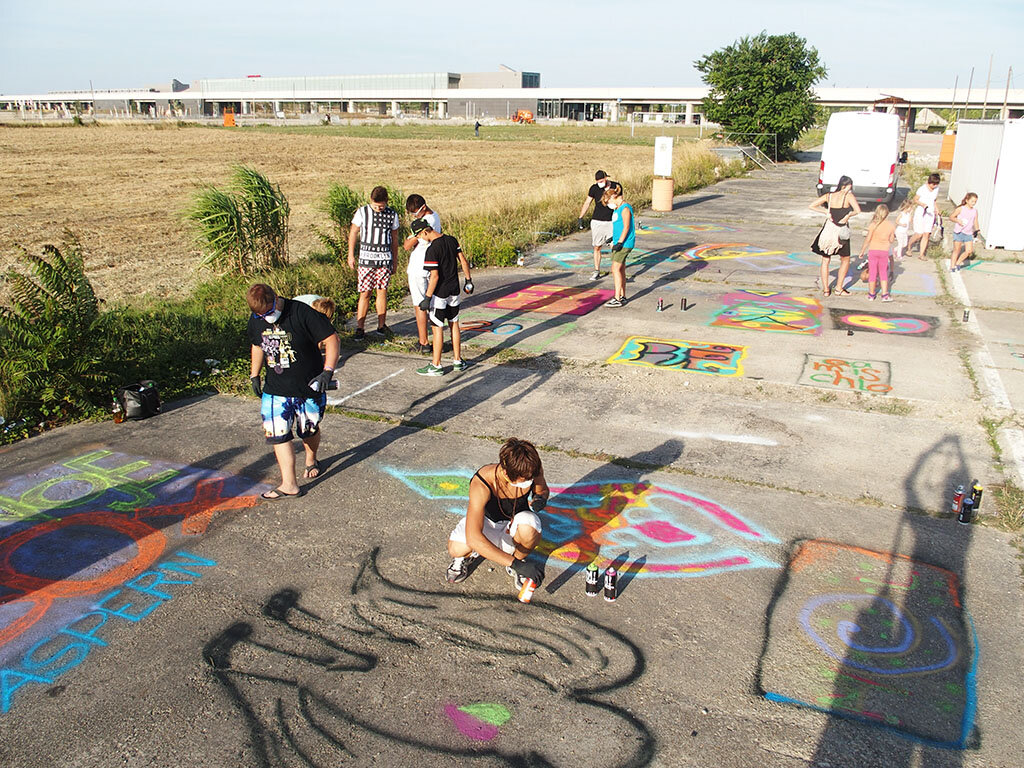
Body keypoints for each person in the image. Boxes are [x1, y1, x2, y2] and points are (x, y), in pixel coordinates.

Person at [246, 284, 340, 499]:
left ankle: (311, 458)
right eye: (261, 315)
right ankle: (289, 484)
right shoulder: (256, 318)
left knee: (308, 430)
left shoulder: (301, 312)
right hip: (275, 389)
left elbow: (332, 339)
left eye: (269, 312)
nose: (266, 318)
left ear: (276, 298)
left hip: (308, 387)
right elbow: (258, 345)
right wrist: (254, 374)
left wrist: (327, 371)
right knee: (277, 434)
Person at [445, 438, 549, 591]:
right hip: (487, 523)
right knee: (457, 548)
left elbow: (542, 489)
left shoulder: (531, 468)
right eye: (523, 480)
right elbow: (473, 537)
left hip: (514, 524)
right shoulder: (482, 483)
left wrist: (540, 498)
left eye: (530, 479)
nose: (528, 482)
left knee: (531, 524)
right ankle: (512, 563)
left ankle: (518, 558)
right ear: (506, 473)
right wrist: (516, 564)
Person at [411, 218, 474, 376]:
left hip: (439, 294)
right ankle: (458, 360)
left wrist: (427, 297)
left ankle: (436, 365)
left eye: (419, 236)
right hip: (454, 290)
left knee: (437, 327)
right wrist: (468, 280)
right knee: (454, 323)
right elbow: (463, 261)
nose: (420, 239)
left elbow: (435, 276)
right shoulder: (452, 240)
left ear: (425, 232)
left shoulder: (432, 250)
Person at [347, 186, 399, 339]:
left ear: (386, 202)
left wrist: (394, 261)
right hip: (366, 260)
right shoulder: (362, 212)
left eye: (381, 206)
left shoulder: (392, 215)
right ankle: (360, 328)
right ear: (371, 201)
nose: (378, 209)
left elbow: (395, 239)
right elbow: (353, 232)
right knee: (365, 293)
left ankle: (381, 326)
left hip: (384, 259)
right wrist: (351, 255)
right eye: (376, 206)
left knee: (382, 291)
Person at [810, 175, 861, 296]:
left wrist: (825, 212)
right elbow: (858, 210)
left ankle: (826, 290)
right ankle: (838, 288)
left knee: (825, 259)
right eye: (849, 186)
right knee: (845, 259)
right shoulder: (848, 196)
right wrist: (848, 215)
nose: (850, 188)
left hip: (828, 229)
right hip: (841, 230)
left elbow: (811, 206)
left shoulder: (829, 196)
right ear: (845, 186)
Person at [403, 194, 441, 354]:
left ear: (423, 208)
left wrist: (412, 237)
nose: (414, 216)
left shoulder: (424, 223)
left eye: (415, 213)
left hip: (418, 267)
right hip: (432, 266)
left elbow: (407, 245)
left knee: (420, 305)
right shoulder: (436, 216)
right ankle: (437, 340)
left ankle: (423, 341)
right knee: (433, 304)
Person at [577, 170, 617, 281]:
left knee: (614, 247)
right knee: (597, 246)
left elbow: (620, 202)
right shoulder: (594, 188)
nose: (600, 183)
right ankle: (596, 271)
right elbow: (587, 202)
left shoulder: (615, 186)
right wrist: (581, 217)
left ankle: (617, 271)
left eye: (602, 181)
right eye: (598, 181)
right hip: (597, 221)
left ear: (606, 178)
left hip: (611, 222)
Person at [603, 184, 634, 307]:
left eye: (608, 202)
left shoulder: (625, 208)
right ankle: (622, 295)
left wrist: (620, 242)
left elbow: (626, 227)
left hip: (624, 243)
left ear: (613, 197)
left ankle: (617, 298)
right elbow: (619, 226)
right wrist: (613, 238)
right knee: (621, 269)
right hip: (618, 241)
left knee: (615, 269)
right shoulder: (617, 209)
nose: (608, 205)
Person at [858, 205, 896, 302]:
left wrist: (862, 251)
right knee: (883, 273)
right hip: (884, 251)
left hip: (873, 250)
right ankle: (885, 295)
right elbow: (891, 240)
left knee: (872, 273)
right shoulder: (891, 225)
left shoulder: (873, 225)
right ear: (887, 213)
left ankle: (871, 295)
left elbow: (868, 239)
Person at [906, 173, 941, 260]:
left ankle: (921, 254)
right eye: (933, 184)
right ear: (929, 182)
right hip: (921, 212)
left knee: (926, 234)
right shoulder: (922, 189)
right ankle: (909, 246)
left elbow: (934, 200)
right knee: (919, 234)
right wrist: (922, 204)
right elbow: (915, 199)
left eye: (936, 184)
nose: (934, 186)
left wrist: (937, 209)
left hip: (930, 213)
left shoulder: (936, 189)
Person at [949, 192, 980, 272]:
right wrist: (958, 220)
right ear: (967, 200)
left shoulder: (975, 211)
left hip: (968, 233)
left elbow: (975, 221)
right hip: (959, 232)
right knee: (957, 250)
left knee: (969, 251)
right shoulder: (961, 209)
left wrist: (977, 230)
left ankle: (958, 262)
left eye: (975, 202)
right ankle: (952, 266)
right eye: (972, 201)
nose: (973, 203)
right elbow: (951, 217)